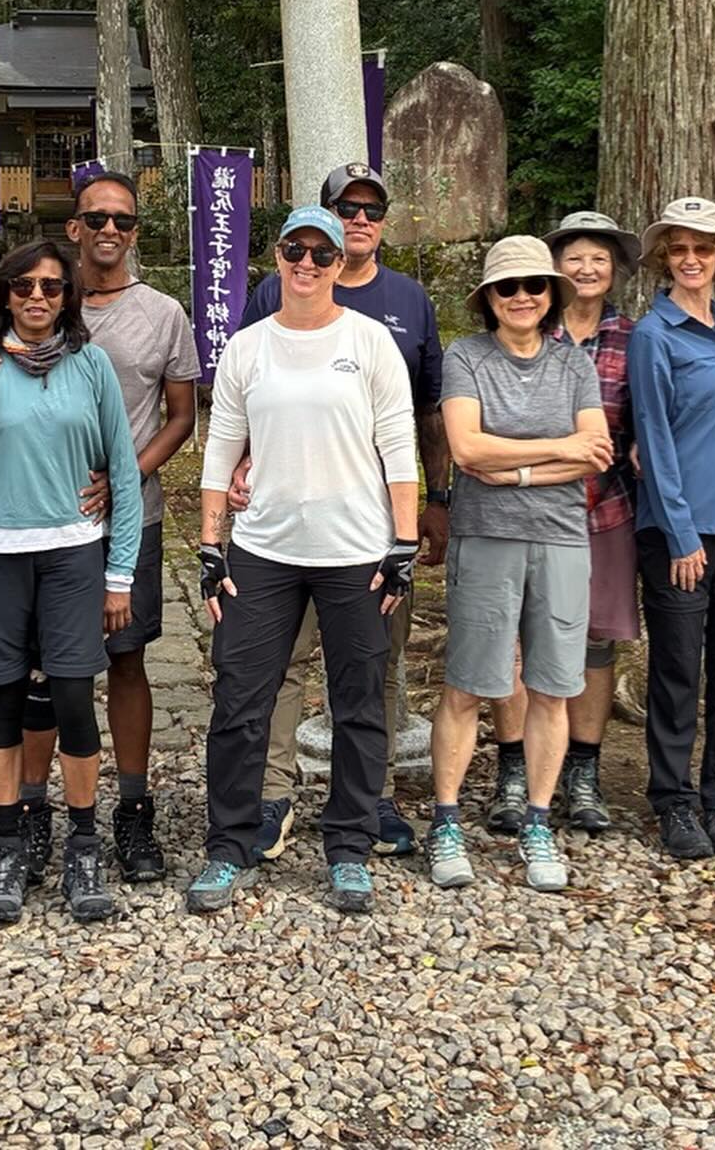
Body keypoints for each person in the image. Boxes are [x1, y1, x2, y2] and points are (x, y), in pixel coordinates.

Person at [192, 205, 417, 916]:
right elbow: (221, 448)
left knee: (359, 701)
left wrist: (405, 543)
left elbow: (399, 447)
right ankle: (230, 844)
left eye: (324, 253)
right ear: (278, 257)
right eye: (297, 249)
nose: (309, 264)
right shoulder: (248, 347)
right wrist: (210, 542)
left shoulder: (370, 341)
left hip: (356, 549)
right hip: (264, 549)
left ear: (342, 264)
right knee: (240, 698)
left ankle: (348, 845)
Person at [235, 162, 448, 859]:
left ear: (383, 223)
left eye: (371, 210)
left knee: (372, 663)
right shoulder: (276, 288)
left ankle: (372, 794)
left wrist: (435, 500)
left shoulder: (408, 300)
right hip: (283, 520)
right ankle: (271, 793)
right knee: (281, 662)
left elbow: (426, 412)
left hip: (374, 519)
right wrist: (237, 465)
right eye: (346, 208)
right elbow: (243, 389)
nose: (358, 220)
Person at [0, 239, 142, 927]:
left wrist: (119, 574)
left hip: (72, 553)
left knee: (74, 696)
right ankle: (9, 842)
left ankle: (83, 843)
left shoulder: (90, 364)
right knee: (5, 694)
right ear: (6, 293)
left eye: (51, 286)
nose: (38, 297)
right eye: (24, 286)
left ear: (67, 295)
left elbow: (123, 472)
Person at [4, 171, 199, 885]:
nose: (109, 229)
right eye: (96, 218)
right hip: (43, 517)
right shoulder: (43, 299)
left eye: (122, 218)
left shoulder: (163, 314)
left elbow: (182, 414)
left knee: (126, 657)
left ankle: (133, 806)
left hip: (129, 516)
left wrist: (125, 476)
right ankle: (33, 809)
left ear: (135, 230)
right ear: (75, 227)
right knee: (44, 668)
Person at [432, 237, 610, 894]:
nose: (522, 297)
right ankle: (446, 820)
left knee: (553, 686)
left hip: (562, 538)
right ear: (489, 298)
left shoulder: (574, 365)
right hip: (485, 535)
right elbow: (465, 448)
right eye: (508, 287)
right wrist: (560, 451)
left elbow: (597, 452)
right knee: (467, 684)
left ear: (551, 294)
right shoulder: (466, 356)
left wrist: (518, 468)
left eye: (535, 285)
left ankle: (538, 820)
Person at [627, 197, 715, 861]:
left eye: (703, 249)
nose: (691, 259)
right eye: (679, 249)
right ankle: (673, 800)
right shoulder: (655, 335)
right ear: (665, 258)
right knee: (679, 669)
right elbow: (653, 437)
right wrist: (681, 533)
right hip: (682, 534)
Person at [543, 210, 644, 832]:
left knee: (595, 642)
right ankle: (525, 768)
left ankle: (583, 771)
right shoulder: (530, 326)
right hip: (528, 509)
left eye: (598, 259)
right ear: (556, 267)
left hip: (606, 510)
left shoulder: (634, 338)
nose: (586, 268)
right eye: (574, 257)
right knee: (527, 639)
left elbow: (646, 418)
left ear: (614, 270)